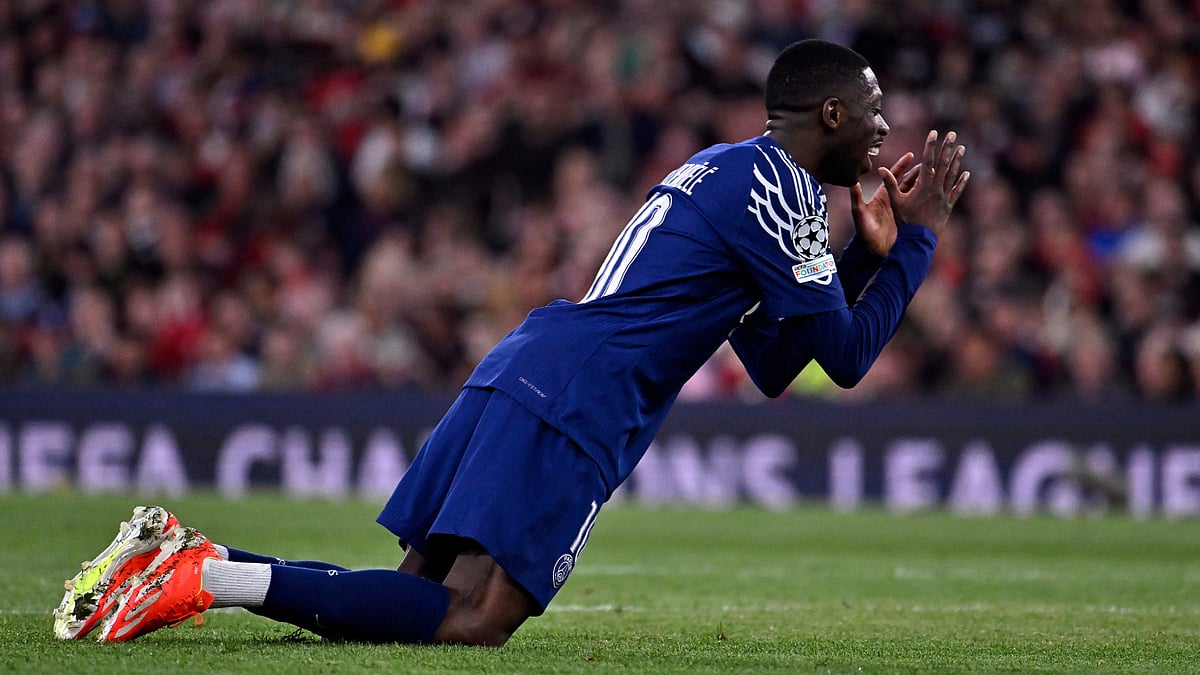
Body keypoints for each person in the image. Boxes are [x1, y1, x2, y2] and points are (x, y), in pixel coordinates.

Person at [53, 39, 968, 646]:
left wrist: (862, 261)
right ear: (831, 116)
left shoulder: (731, 168)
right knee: (476, 617)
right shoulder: (785, 190)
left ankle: (187, 560)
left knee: (418, 598)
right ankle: (200, 572)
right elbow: (845, 359)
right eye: (874, 110)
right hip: (583, 394)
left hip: (535, 363)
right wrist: (917, 241)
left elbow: (774, 362)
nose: (887, 128)